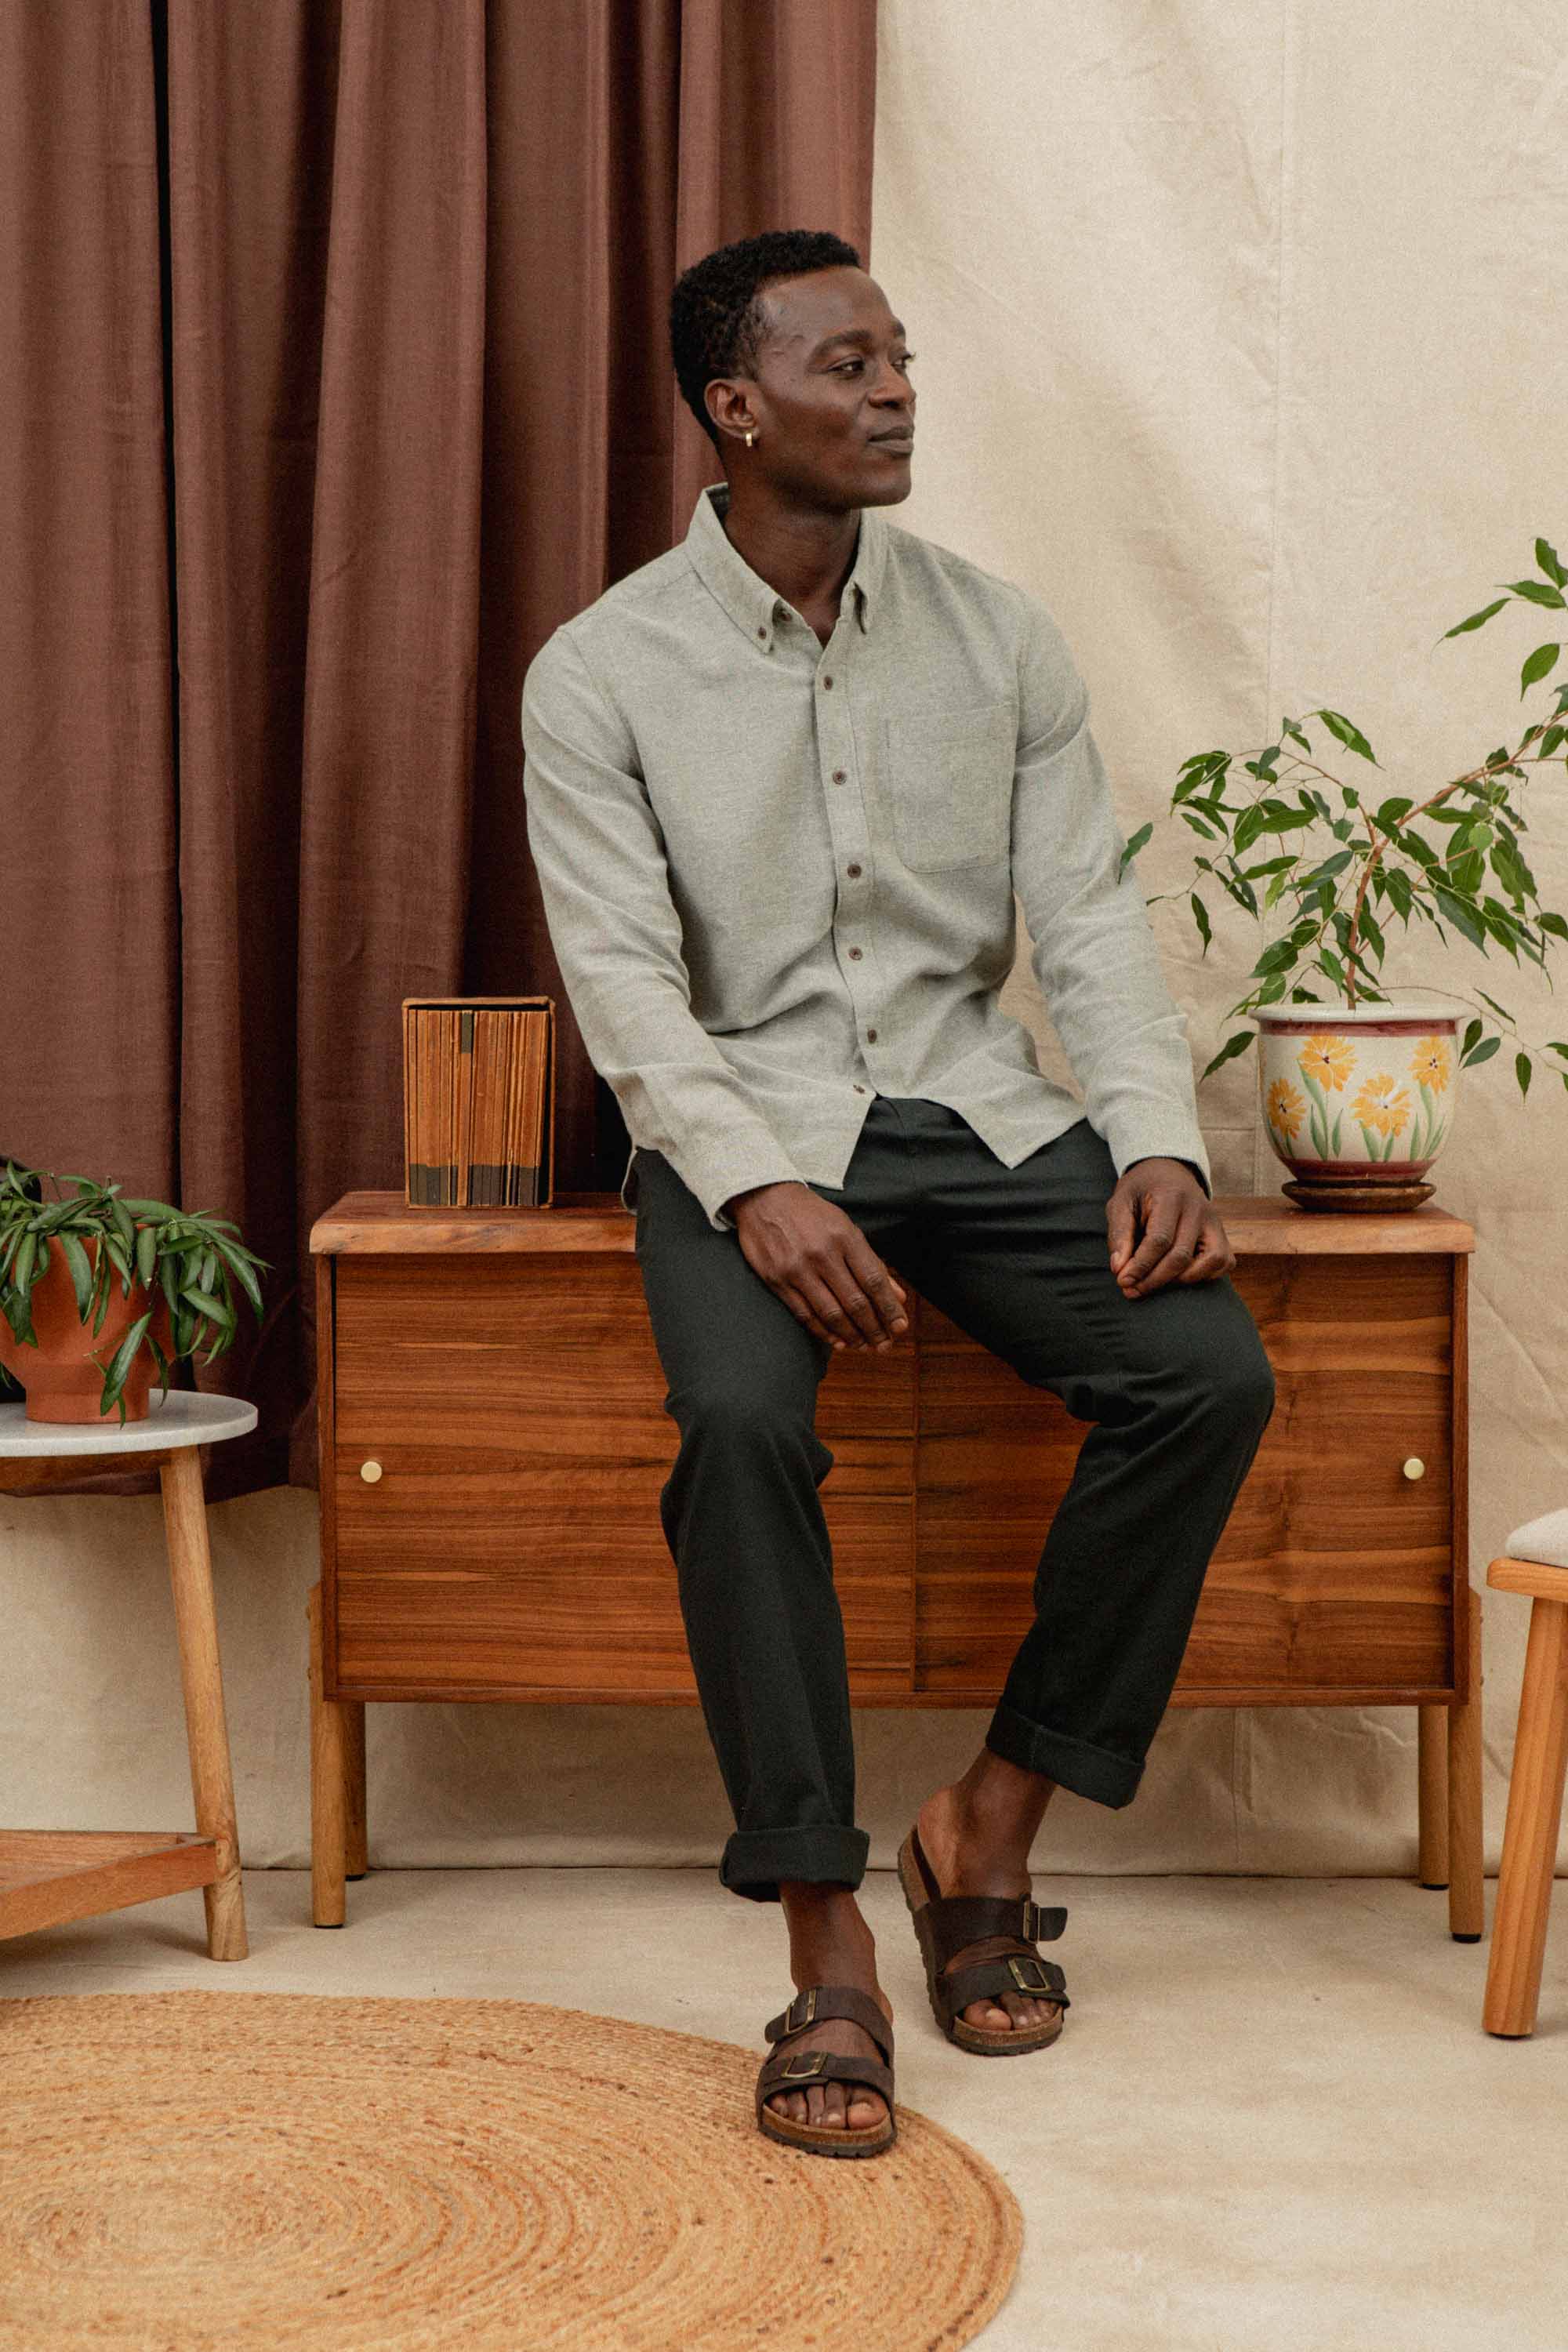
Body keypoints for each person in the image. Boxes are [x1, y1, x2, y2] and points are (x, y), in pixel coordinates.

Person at [521, 227, 1276, 2158]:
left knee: (1205, 1374)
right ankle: (824, 1938)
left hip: (978, 1117)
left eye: (900, 359)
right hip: (739, 1129)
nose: (893, 394)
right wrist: (756, 1185)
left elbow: (1086, 926)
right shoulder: (601, 672)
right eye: (845, 364)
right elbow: (624, 984)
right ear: (732, 402)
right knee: (743, 1425)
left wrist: (1158, 1133)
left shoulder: (1000, 638)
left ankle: (985, 1828)